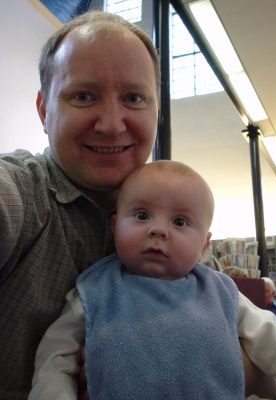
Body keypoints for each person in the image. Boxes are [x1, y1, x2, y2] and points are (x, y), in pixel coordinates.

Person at [29, 161, 276, 400]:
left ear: (204, 245)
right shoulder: (94, 292)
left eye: (180, 222)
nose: (157, 230)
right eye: (142, 215)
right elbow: (54, 361)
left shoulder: (221, 293)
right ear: (114, 226)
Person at [0, 10, 159, 400]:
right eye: (83, 96)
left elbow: (261, 379)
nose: (111, 123)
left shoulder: (174, 214)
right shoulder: (22, 193)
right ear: (44, 110)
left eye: (133, 98)